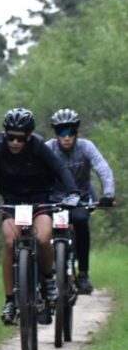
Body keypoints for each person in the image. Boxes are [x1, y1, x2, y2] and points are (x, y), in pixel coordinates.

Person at [0, 107, 80, 325]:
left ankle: (47, 280)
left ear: (29, 136)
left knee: (43, 237)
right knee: (10, 242)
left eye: (20, 139)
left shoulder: (38, 145)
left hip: (39, 199)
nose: (15, 143)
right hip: (12, 200)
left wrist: (73, 192)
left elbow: (60, 168)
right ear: (4, 133)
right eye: (11, 137)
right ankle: (10, 300)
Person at [45, 108, 116, 294]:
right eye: (62, 132)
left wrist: (108, 194)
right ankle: (47, 271)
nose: (66, 137)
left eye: (71, 132)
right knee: (44, 230)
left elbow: (103, 168)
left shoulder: (86, 147)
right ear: (56, 134)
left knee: (81, 221)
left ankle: (83, 274)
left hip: (81, 198)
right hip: (54, 199)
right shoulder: (48, 148)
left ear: (77, 133)